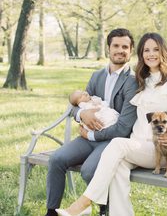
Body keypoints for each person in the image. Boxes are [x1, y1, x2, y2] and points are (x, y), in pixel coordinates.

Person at [56, 32, 167, 216]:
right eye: (146, 50)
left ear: (164, 52)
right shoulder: (139, 81)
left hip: (160, 150)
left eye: (155, 49)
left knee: (117, 145)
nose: (151, 54)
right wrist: (83, 114)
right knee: (118, 169)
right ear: (140, 54)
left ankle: (82, 204)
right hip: (136, 145)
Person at [45, 28, 138, 216]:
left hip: (113, 141)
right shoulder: (97, 76)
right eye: (116, 46)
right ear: (108, 48)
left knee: (88, 170)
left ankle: (105, 208)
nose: (120, 50)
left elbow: (124, 127)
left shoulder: (133, 81)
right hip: (88, 138)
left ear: (131, 51)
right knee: (57, 159)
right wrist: (82, 116)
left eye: (125, 47)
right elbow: (77, 106)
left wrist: (91, 134)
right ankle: (51, 211)